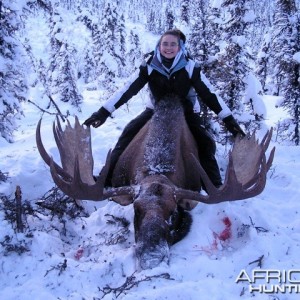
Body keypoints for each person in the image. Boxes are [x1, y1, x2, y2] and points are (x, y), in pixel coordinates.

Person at [84, 29, 245, 188]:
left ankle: (213, 184)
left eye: (173, 44)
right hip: (155, 110)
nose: (168, 48)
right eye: (165, 44)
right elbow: (127, 90)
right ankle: (106, 178)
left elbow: (209, 94)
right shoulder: (149, 66)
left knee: (204, 142)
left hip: (186, 112)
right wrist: (103, 112)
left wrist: (229, 120)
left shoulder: (190, 67)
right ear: (158, 46)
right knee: (128, 134)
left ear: (180, 47)